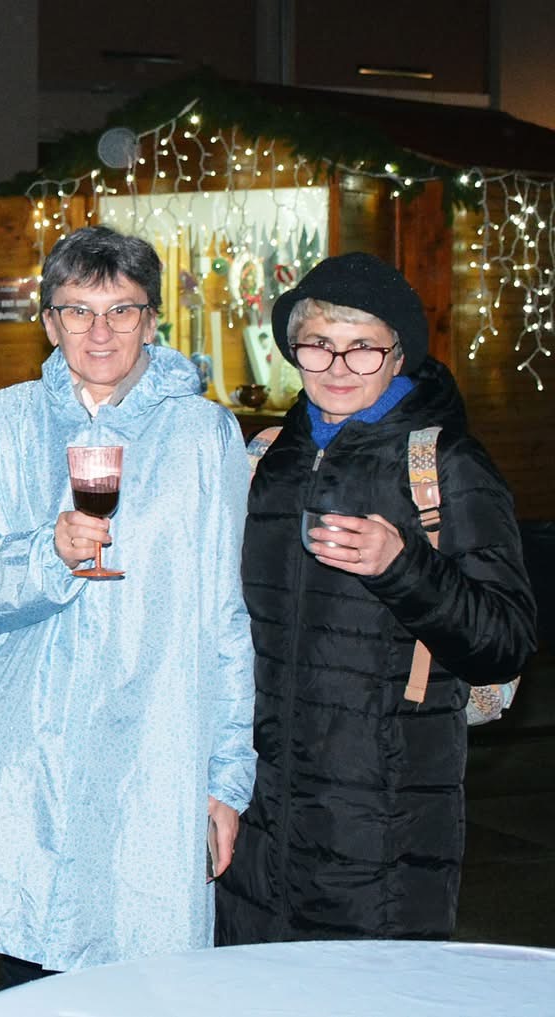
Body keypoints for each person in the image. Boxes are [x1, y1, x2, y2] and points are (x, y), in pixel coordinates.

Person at [0, 226, 257, 982]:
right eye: (77, 311)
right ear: (49, 323)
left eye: (121, 310)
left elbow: (223, 617)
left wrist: (226, 779)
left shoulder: (204, 435)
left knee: (139, 975)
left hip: (150, 751)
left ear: (151, 321)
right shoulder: (1, 422)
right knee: (29, 971)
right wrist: (50, 554)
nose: (99, 332)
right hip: (20, 752)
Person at [215, 253, 537, 944]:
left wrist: (404, 567)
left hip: (384, 823)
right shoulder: (266, 459)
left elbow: (506, 640)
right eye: (319, 344)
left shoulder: (446, 464)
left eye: (362, 347)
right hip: (256, 813)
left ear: (398, 355)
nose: (338, 366)